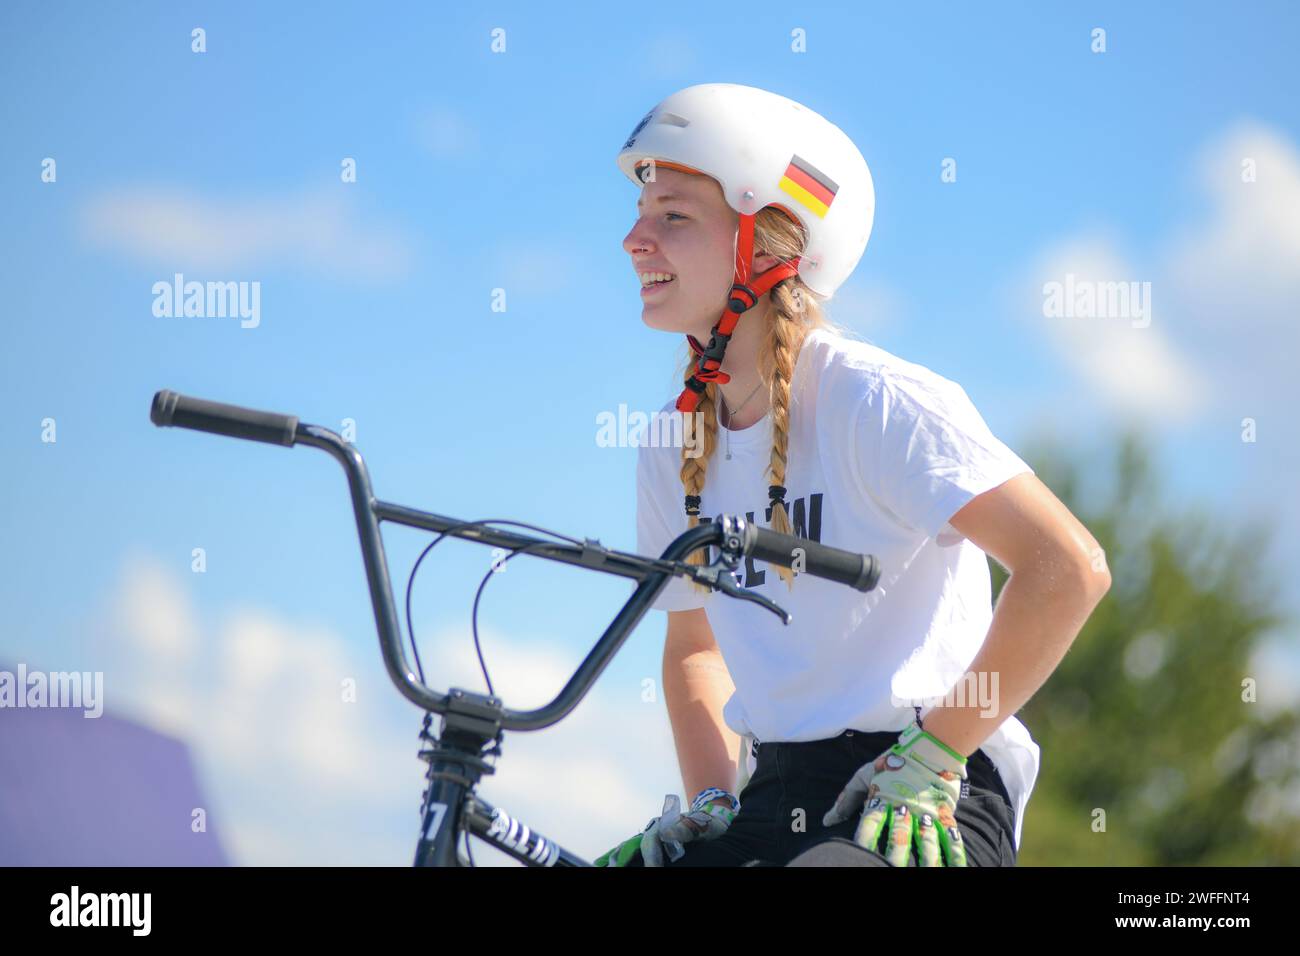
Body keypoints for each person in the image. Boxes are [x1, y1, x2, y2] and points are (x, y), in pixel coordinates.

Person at [596, 83, 1111, 867]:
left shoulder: (874, 400)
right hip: (772, 791)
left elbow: (1066, 569)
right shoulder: (670, 443)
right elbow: (692, 644)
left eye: (673, 216)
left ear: (768, 249)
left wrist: (936, 753)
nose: (635, 239)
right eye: (641, 213)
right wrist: (710, 802)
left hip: (930, 778)